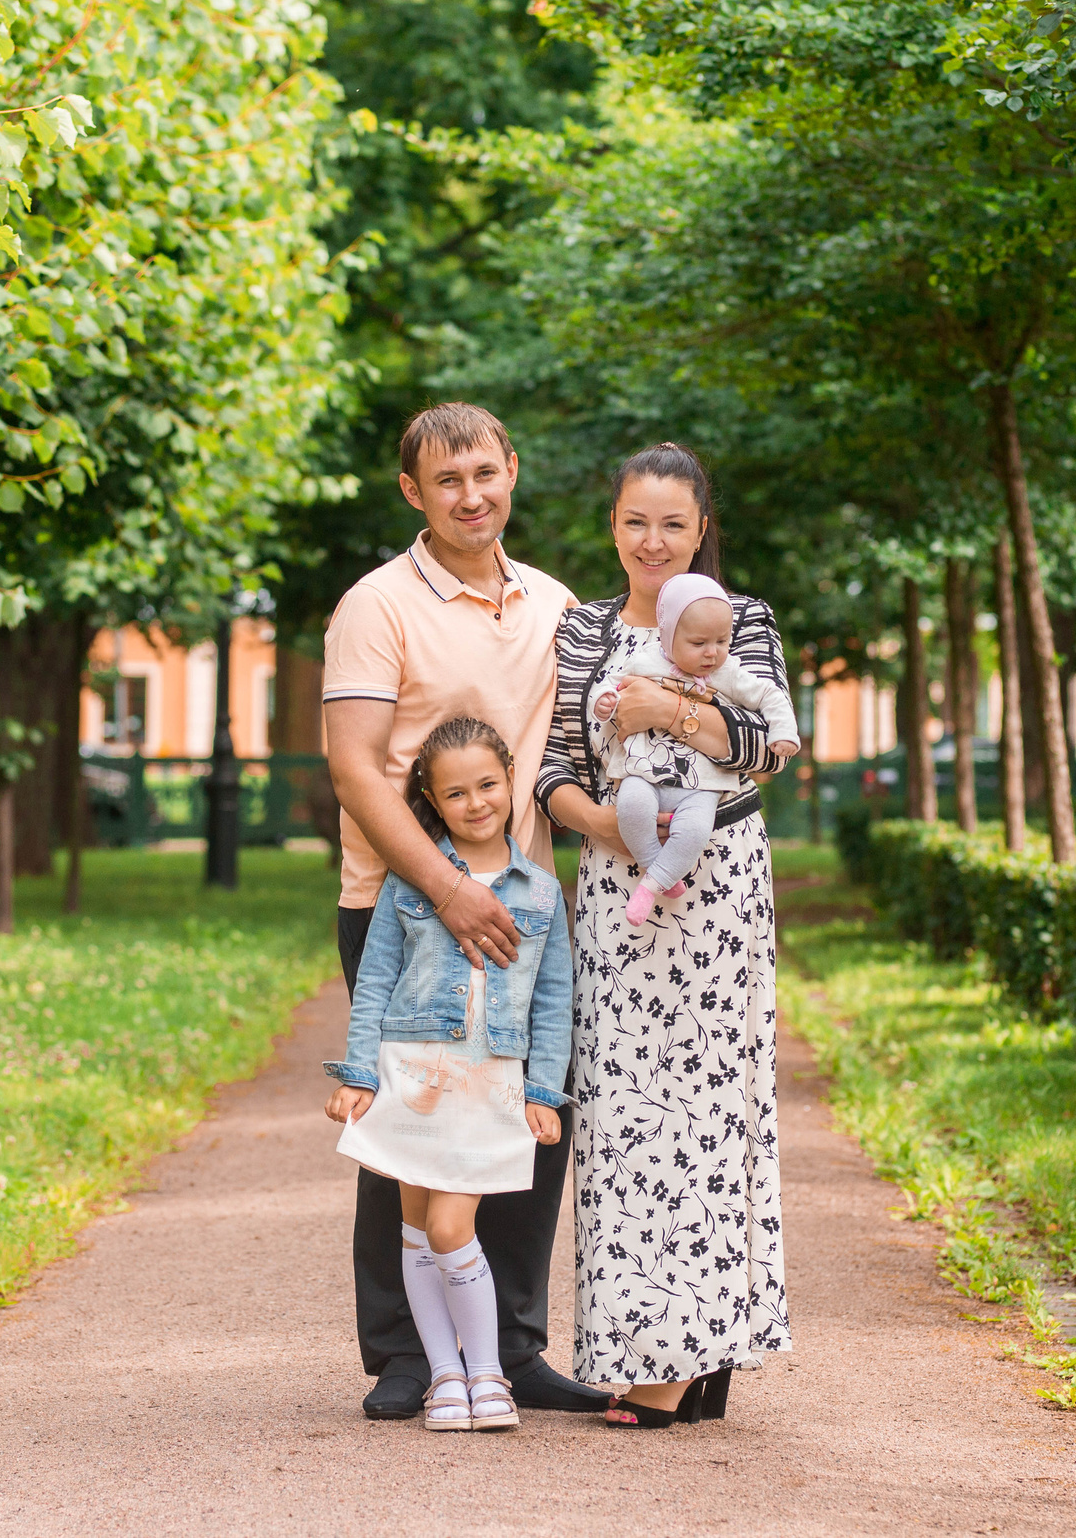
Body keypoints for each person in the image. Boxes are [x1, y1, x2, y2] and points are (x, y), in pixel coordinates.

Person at [320, 402, 603, 1421]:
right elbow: (354, 769)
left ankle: (513, 1346)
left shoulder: (556, 604)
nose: (470, 495)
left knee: (526, 1118)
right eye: (447, 481)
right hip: (406, 910)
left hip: (521, 915)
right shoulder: (376, 605)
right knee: (409, 1125)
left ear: (511, 471)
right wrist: (446, 887)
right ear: (413, 493)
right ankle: (405, 1355)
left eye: (484, 473)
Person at [536, 441, 795, 1429]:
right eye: (636, 521)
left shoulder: (743, 618)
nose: (653, 541)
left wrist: (659, 709)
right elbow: (555, 763)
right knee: (623, 1113)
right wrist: (604, 828)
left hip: (720, 885)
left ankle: (691, 1352)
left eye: (673, 524)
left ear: (700, 529)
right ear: (614, 525)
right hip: (615, 888)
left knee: (711, 1106)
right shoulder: (582, 629)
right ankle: (648, 1345)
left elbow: (762, 748)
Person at [324, 718, 575, 1432]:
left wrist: (541, 1090)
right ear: (432, 799)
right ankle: (446, 1378)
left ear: (510, 780)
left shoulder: (540, 892)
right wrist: (360, 1075)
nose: (475, 802)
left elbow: (555, 1001)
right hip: (411, 1076)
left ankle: (489, 1371)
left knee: (447, 1224)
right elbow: (375, 982)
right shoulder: (411, 882)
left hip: (486, 1084)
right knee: (415, 1231)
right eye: (456, 792)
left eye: (488, 784)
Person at [589, 572, 799, 926]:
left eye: (722, 640)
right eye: (699, 642)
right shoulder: (647, 660)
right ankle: (656, 864)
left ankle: (652, 884)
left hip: (701, 783)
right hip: (645, 770)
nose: (712, 652)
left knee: (696, 829)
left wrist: (784, 730)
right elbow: (611, 684)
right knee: (632, 807)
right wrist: (606, 701)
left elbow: (768, 694)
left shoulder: (727, 672)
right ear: (668, 638)